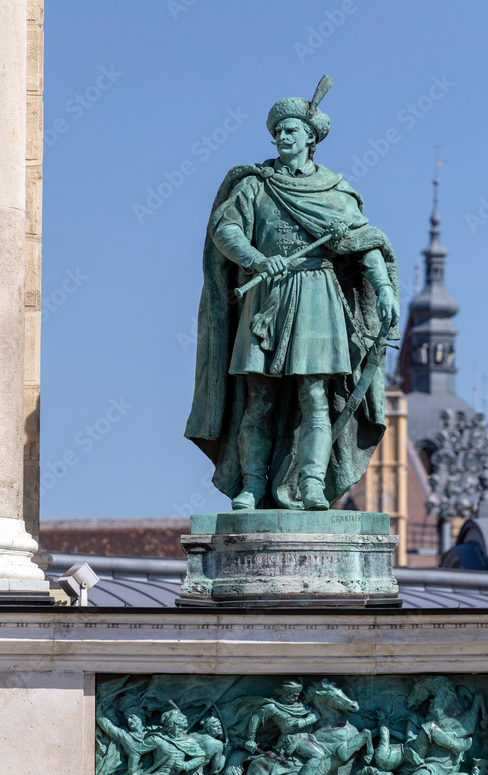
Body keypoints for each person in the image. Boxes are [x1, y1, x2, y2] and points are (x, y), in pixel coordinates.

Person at [185, 75, 400, 511]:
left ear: (310, 138)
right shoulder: (255, 185)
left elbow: (365, 245)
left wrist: (383, 290)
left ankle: (312, 484)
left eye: (291, 130)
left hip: (318, 297)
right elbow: (225, 230)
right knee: (258, 398)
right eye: (277, 130)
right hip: (266, 298)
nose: (282, 136)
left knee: (315, 397)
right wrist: (257, 259)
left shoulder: (335, 191)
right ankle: (251, 484)